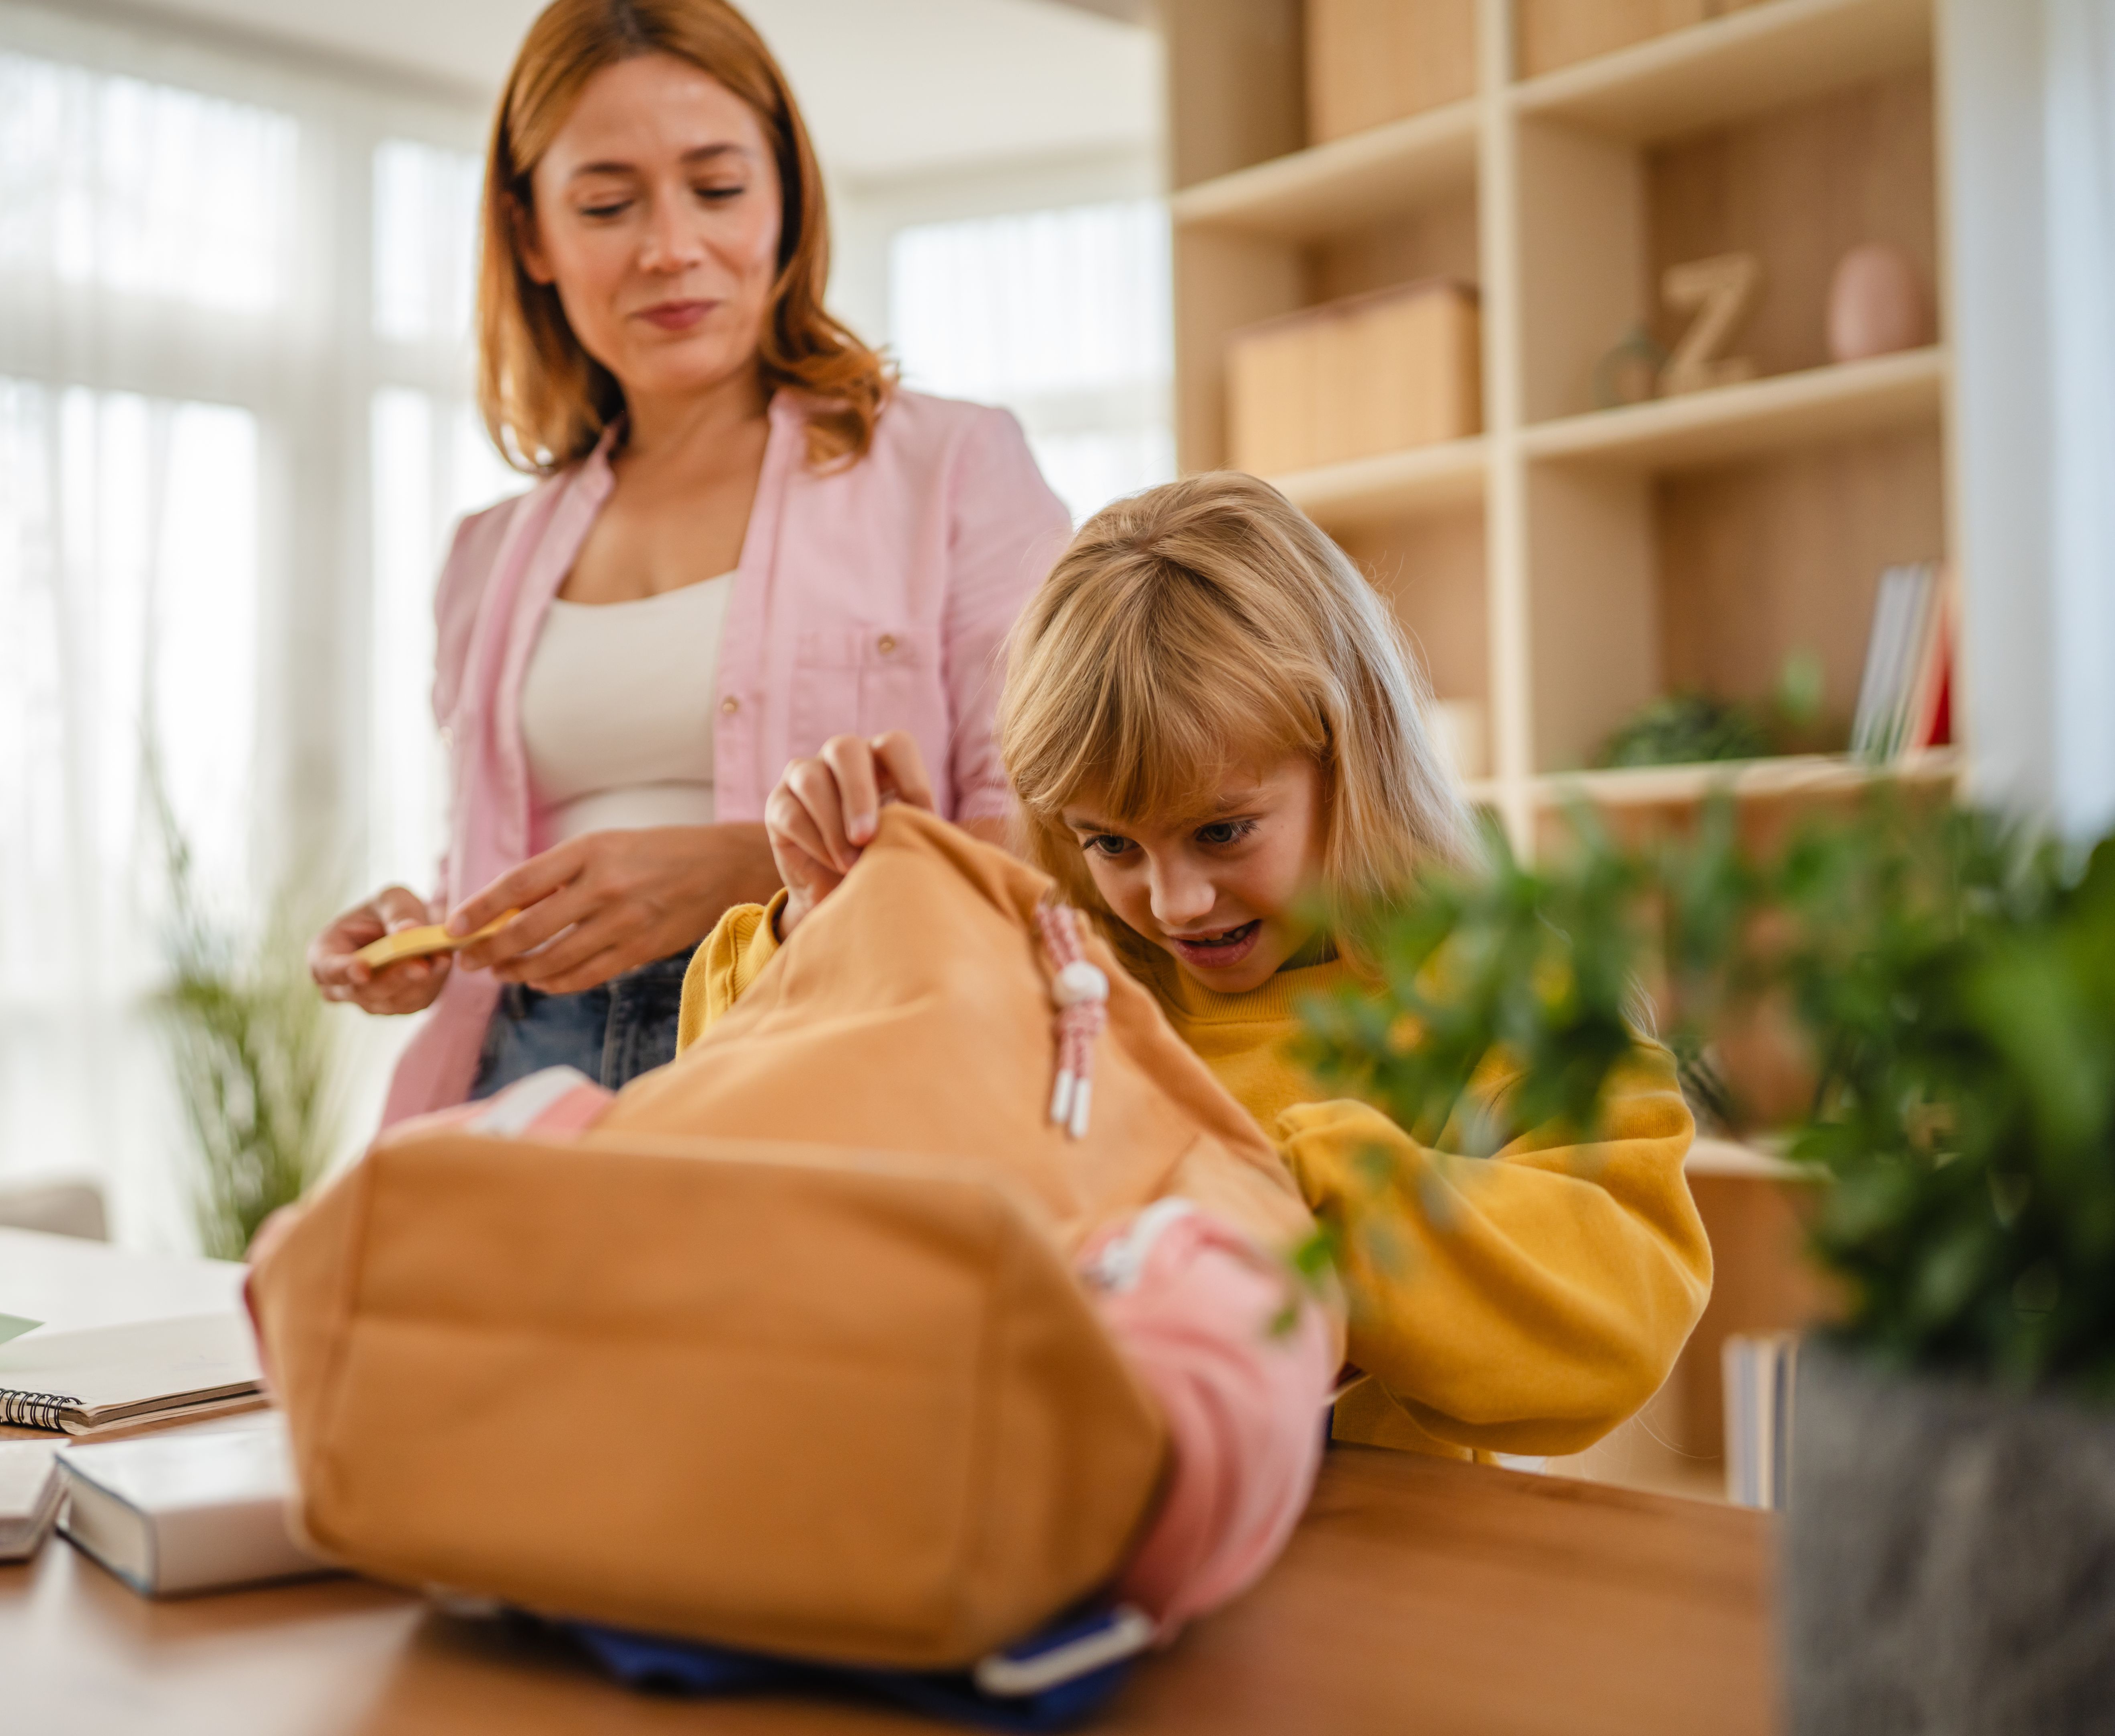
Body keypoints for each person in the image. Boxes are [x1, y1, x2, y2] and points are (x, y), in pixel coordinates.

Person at [682, 470, 1714, 1464]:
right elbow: (731, 1177)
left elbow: (1627, 1303)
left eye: (1222, 832)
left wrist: (1296, 1203)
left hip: (1379, 1577)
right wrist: (838, 934)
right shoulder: (1052, 973)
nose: (1173, 902)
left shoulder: (1500, 989)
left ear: (1347, 757)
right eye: (1111, 844)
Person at [310, 0, 1068, 1120]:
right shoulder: (486, 557)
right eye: (609, 204)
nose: (672, 249)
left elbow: (1056, 845)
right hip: (526, 1067)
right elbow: (486, 852)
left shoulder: (954, 469)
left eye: (718, 189)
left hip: (819, 1052)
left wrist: (746, 872)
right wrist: (426, 930)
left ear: (787, 199)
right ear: (532, 237)